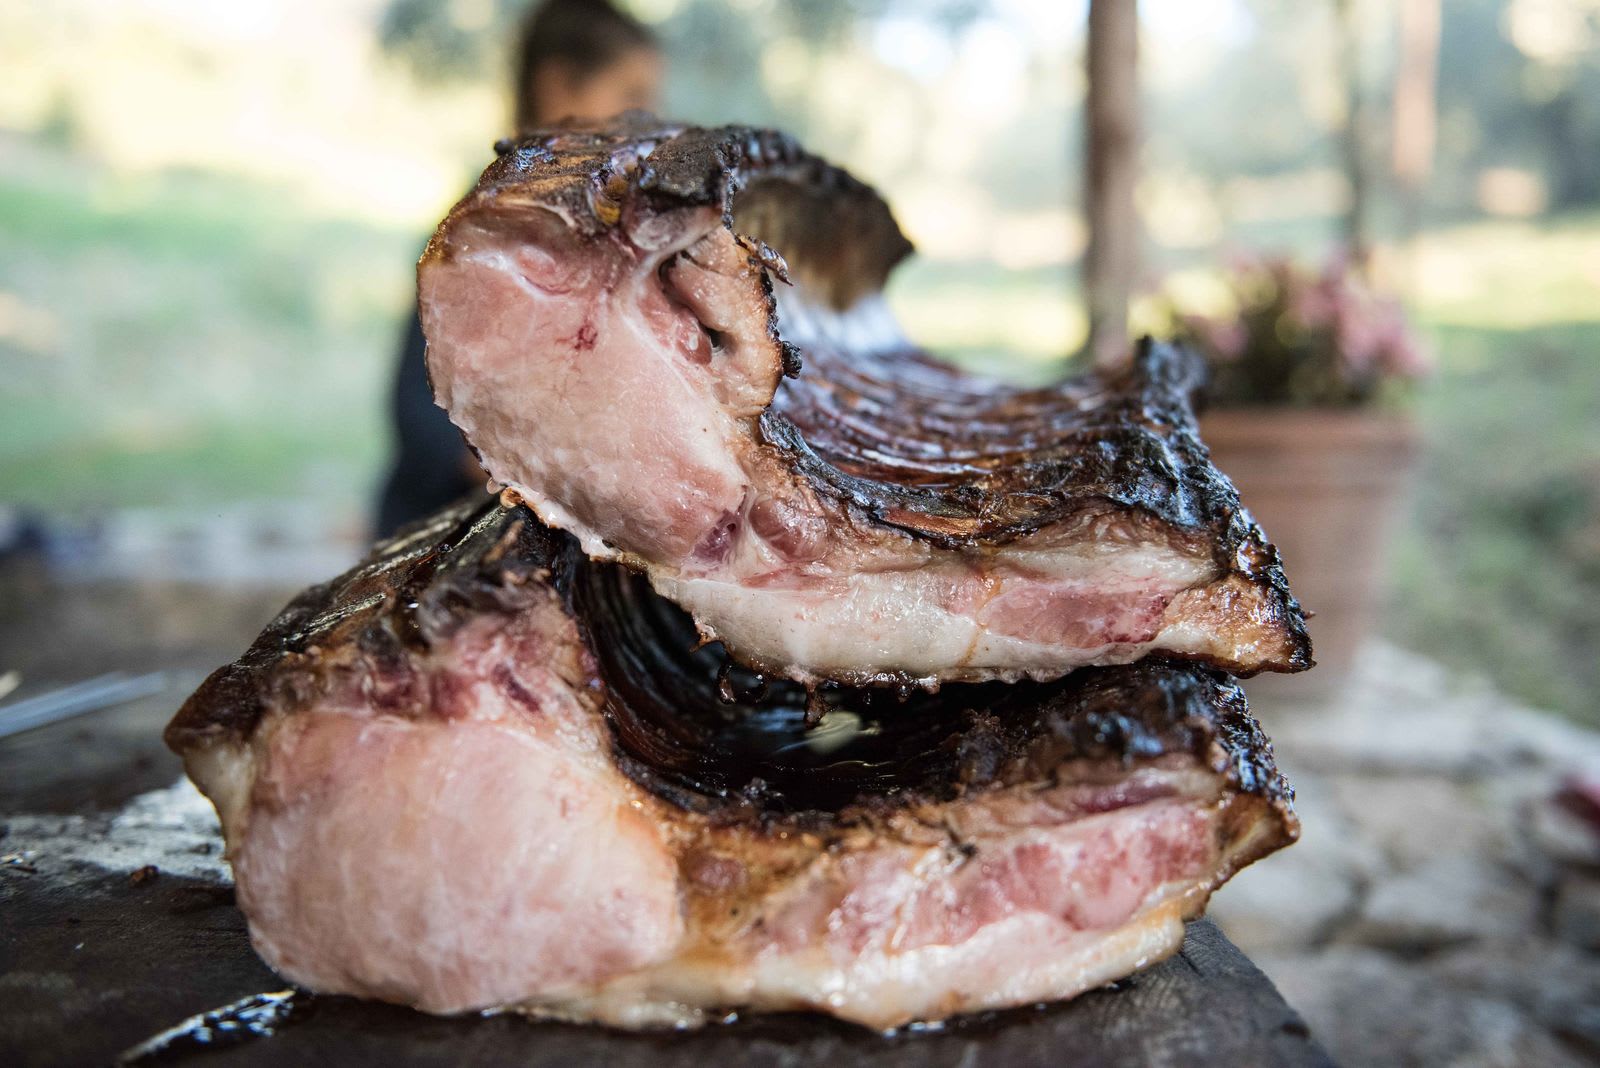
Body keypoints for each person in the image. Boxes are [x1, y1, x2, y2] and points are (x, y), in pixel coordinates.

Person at [375, 0, 662, 537]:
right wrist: (540, 479)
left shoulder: (609, 235)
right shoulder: (484, 236)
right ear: (558, 88)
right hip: (443, 529)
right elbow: (417, 412)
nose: (650, 120)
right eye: (632, 96)